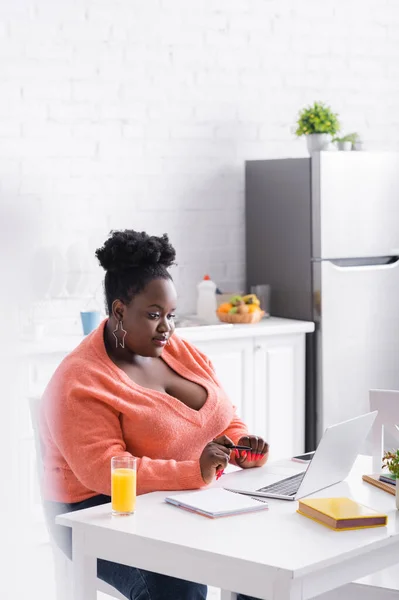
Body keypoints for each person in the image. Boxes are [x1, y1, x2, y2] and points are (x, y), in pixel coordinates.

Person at [40, 229, 269, 600]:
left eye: (171, 315)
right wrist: (193, 471)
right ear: (119, 311)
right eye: (153, 315)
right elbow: (105, 469)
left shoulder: (178, 350)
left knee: (263, 562)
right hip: (96, 513)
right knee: (180, 586)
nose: (167, 328)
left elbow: (221, 416)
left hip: (175, 500)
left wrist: (241, 443)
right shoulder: (80, 380)